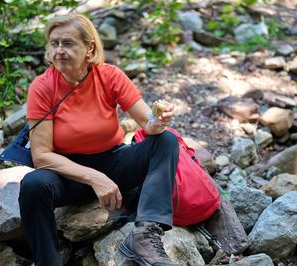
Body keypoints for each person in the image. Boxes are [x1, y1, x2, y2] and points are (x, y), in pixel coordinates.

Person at [18, 13, 180, 266]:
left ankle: (145, 234)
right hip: (67, 174)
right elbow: (41, 156)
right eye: (54, 43)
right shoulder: (42, 87)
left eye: (68, 43)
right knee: (32, 184)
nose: (59, 50)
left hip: (112, 160)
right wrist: (96, 178)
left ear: (89, 48)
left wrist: (158, 122)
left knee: (166, 141)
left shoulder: (110, 76)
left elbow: (147, 123)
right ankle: (47, 261)